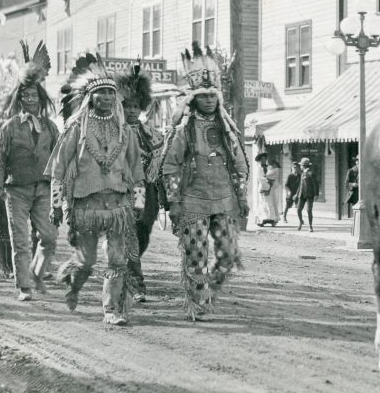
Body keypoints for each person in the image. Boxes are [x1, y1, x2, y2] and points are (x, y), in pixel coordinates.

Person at [47, 54, 145, 325]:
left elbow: (137, 173)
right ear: (90, 97)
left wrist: (138, 204)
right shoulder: (75, 129)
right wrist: (55, 205)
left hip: (117, 206)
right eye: (100, 92)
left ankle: (112, 309)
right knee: (87, 261)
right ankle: (74, 283)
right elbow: (57, 170)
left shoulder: (126, 132)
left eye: (110, 93)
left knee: (117, 259)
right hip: (85, 207)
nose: (106, 97)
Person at [158, 43, 249, 321]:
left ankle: (207, 290)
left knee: (229, 255)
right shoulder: (184, 129)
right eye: (203, 95)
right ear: (193, 98)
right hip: (192, 201)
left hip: (224, 200)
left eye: (213, 95)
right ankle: (197, 303)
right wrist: (173, 201)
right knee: (196, 255)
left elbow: (240, 167)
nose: (209, 99)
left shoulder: (227, 130)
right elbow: (170, 166)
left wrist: (242, 198)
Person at [0, 41, 60, 302]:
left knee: (49, 237)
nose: (30, 100)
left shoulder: (51, 128)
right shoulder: (9, 127)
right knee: (20, 240)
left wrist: (62, 186)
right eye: (26, 96)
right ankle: (24, 286)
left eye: (34, 96)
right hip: (16, 190)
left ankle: (37, 271)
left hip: (43, 189)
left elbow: (61, 158)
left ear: (40, 99)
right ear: (20, 99)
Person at [116, 61, 162, 303]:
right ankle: (136, 284)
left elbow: (160, 162)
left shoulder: (151, 134)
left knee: (143, 233)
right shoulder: (114, 132)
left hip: (146, 191)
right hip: (121, 189)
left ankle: (126, 267)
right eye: (127, 106)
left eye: (135, 106)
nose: (132, 110)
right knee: (129, 235)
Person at [255, 153, 280, 227]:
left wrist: (272, 182)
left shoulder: (270, 167)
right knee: (264, 203)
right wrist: (267, 183)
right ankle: (263, 218)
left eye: (264, 159)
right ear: (259, 160)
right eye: (261, 159)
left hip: (271, 187)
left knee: (271, 202)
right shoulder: (259, 168)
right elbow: (260, 178)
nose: (263, 160)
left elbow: (274, 176)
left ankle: (272, 218)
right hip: (264, 187)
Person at [295, 157, 318, 232]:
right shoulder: (302, 174)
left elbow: (315, 185)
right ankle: (301, 221)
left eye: (301, 165)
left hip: (309, 195)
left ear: (304, 166)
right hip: (301, 195)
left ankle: (310, 226)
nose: (300, 167)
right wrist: (297, 194)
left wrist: (316, 194)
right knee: (298, 210)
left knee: (309, 210)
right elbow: (300, 185)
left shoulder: (311, 173)